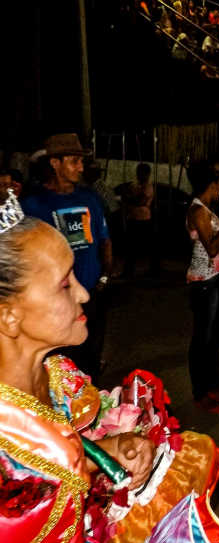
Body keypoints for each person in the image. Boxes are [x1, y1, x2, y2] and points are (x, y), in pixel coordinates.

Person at [0, 193, 219, 543]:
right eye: (65, 284)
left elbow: (44, 459)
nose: (84, 294)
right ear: (8, 315)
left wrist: (105, 451)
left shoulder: (57, 377)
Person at [21, 133, 112, 382]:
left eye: (81, 162)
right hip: (56, 301)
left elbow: (104, 239)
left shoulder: (90, 198)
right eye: (74, 161)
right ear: (55, 163)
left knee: (91, 359)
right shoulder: (33, 205)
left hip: (91, 293)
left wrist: (104, 276)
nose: (81, 168)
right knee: (62, 367)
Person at [186, 161, 219, 412]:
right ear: (212, 185)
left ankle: (213, 386)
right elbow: (212, 247)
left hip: (216, 280)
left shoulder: (207, 208)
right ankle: (201, 393)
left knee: (213, 338)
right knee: (202, 340)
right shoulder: (198, 211)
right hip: (204, 283)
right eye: (218, 184)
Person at [122, 163, 158, 279]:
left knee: (148, 246)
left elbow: (139, 201)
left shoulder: (148, 186)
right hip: (134, 218)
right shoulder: (135, 185)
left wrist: (131, 198)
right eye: (138, 172)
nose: (139, 175)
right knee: (130, 247)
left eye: (142, 172)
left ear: (147, 174)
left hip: (144, 220)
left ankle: (153, 270)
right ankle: (129, 271)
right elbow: (128, 198)